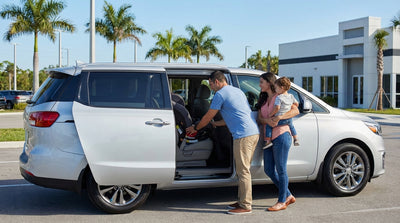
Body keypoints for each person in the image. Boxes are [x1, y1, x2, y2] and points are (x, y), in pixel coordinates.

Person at [186, 70, 259, 215]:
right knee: (242, 170)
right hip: (252, 132)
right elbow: (234, 115)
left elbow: (208, 116)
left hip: (242, 135)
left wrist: (195, 128)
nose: (211, 87)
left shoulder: (220, 94)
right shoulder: (237, 91)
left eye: (211, 84)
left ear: (217, 82)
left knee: (243, 171)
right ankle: (241, 200)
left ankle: (245, 205)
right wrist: (216, 124)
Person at [256, 72, 299, 211]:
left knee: (281, 169)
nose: (259, 84)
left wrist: (279, 118)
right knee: (269, 169)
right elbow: (259, 118)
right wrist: (267, 120)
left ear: (269, 83)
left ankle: (282, 201)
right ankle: (288, 195)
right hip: (267, 137)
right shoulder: (262, 99)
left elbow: (295, 111)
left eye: (261, 82)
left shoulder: (281, 96)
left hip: (281, 134)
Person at [263, 77, 299, 149]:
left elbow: (277, 108)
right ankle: (296, 139)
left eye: (276, 88)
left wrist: (271, 114)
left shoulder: (279, 97)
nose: (275, 90)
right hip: (288, 118)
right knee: (291, 126)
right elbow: (296, 103)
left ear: (281, 88)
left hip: (279, 119)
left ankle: (268, 141)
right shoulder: (291, 96)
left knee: (269, 126)